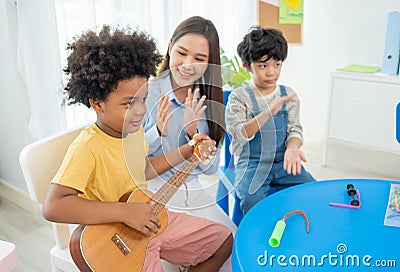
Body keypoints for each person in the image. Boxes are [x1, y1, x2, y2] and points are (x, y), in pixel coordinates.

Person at [42, 25, 233, 272]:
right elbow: (53, 206)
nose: (142, 110)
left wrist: (187, 150)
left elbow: (143, 168)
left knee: (222, 240)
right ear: (97, 103)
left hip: (147, 221)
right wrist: (125, 212)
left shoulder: (133, 132)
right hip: (118, 241)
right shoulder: (87, 147)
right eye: (129, 103)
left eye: (143, 99)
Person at [143, 16, 237, 234]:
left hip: (192, 191)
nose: (187, 65)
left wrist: (192, 133)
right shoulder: (147, 93)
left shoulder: (210, 101)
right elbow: (136, 166)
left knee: (233, 242)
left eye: (199, 58)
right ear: (170, 48)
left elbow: (210, 168)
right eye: (182, 53)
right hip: (152, 192)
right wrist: (157, 132)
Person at [225, 26, 315, 214]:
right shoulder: (239, 97)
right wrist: (267, 112)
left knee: (312, 192)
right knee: (252, 200)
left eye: (277, 64)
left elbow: (295, 130)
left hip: (283, 161)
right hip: (252, 163)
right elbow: (239, 135)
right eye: (263, 66)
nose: (271, 72)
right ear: (246, 65)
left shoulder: (288, 94)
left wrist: (293, 147)